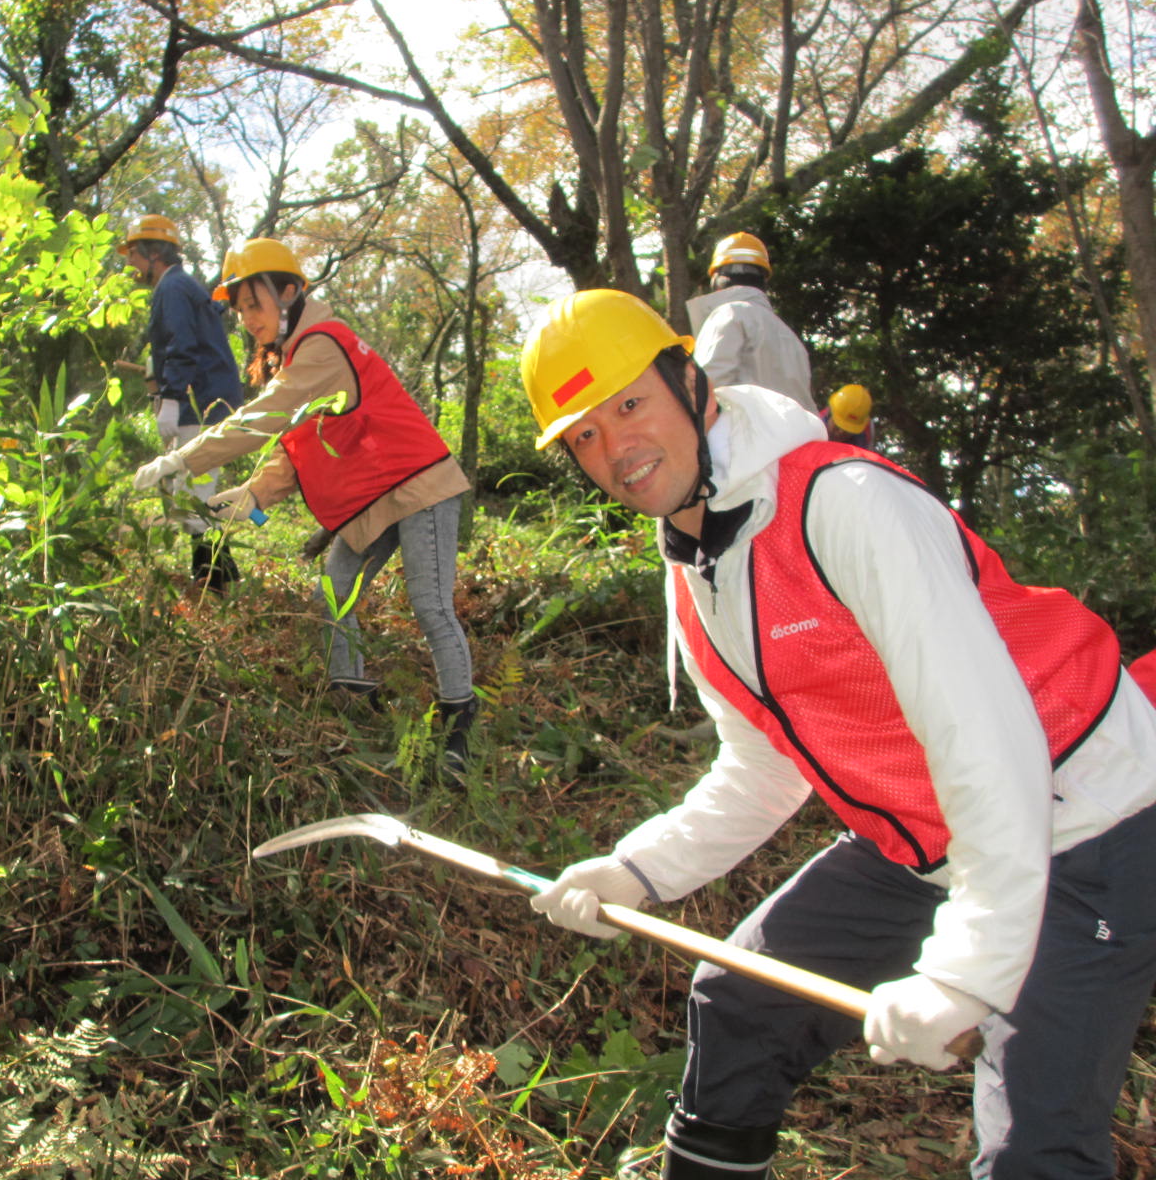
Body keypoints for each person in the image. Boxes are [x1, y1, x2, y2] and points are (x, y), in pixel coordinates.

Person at [517, 288, 1156, 1178]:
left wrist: (966, 971)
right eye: (583, 433)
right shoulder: (694, 563)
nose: (615, 447)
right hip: (919, 837)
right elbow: (761, 766)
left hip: (1086, 822)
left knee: (1033, 1149)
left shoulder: (846, 505)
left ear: (691, 384)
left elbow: (987, 741)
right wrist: (635, 870)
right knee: (741, 1000)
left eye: (630, 404)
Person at [131, 238, 478, 770]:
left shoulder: (323, 344)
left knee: (428, 602)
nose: (247, 319)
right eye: (241, 308)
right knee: (334, 592)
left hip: (420, 484)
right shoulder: (296, 358)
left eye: (255, 304)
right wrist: (228, 507)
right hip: (377, 496)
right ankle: (352, 696)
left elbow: (265, 418)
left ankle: (458, 731)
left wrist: (183, 461)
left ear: (289, 292)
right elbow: (293, 452)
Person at [117, 214, 246, 590]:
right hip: (205, 399)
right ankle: (221, 575)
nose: (130, 264)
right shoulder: (178, 286)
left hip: (201, 402)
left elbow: (181, 346)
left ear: (154, 253)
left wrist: (172, 399)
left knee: (194, 492)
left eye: (134, 255)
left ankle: (211, 583)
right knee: (193, 492)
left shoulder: (173, 288)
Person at [686, 232, 813, 412]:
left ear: (717, 279)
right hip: (794, 438)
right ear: (763, 281)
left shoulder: (728, 313)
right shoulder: (790, 338)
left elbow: (704, 391)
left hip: (744, 438)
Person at [822, 382, 875, 450]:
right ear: (830, 413)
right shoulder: (813, 424)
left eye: (847, 431)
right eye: (837, 426)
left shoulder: (865, 437)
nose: (840, 432)